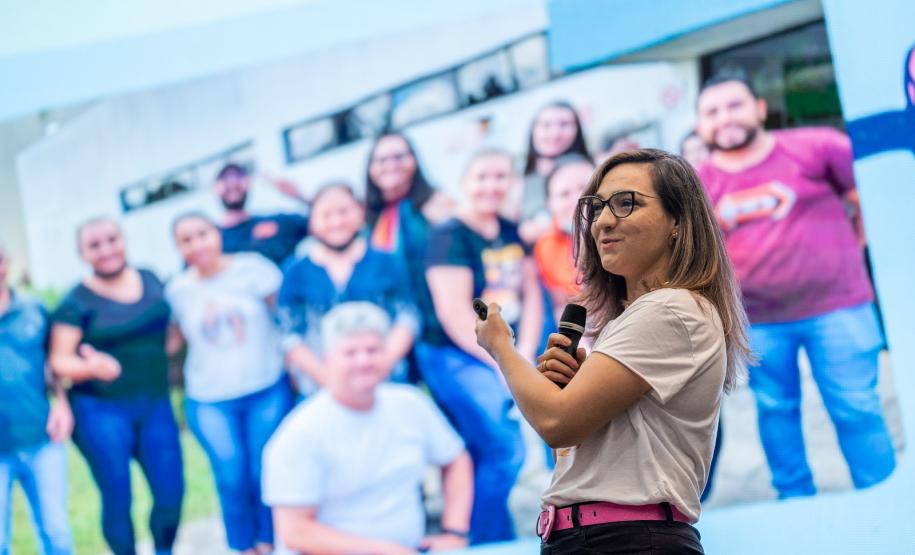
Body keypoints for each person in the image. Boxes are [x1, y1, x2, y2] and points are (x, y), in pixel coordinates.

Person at [475, 149, 753, 554]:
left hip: (623, 541)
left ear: (678, 221)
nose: (604, 220)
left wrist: (501, 346)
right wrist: (567, 390)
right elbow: (574, 451)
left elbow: (556, 422)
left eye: (627, 204)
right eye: (597, 207)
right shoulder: (640, 317)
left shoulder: (671, 308)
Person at [695, 74, 896, 498]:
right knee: (775, 412)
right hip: (757, 322)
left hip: (839, 307)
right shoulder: (695, 184)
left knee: (857, 409)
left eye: (734, 105)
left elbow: (875, 194)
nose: (724, 118)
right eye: (712, 112)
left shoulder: (818, 146)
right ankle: (795, 504)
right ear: (700, 125)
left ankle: (884, 501)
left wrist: (853, 247)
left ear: (760, 109)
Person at [263, 302, 473, 555]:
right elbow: (296, 532)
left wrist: (454, 531)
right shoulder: (300, 433)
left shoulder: (410, 403)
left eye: (373, 350)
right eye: (350, 353)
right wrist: (386, 551)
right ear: (327, 359)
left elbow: (456, 459)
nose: (363, 361)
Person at [418, 148, 542, 544]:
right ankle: (483, 538)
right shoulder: (449, 235)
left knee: (486, 452)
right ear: (464, 182)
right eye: (482, 176)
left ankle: (490, 533)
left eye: (500, 176)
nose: (492, 185)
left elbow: (531, 292)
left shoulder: (508, 228)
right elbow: (455, 314)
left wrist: (525, 353)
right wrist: (504, 363)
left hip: (504, 350)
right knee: (507, 450)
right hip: (456, 353)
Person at [49, 218, 183, 555]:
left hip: (155, 404)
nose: (106, 249)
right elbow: (59, 360)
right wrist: (90, 367)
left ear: (123, 240)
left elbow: (169, 329)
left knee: (171, 492)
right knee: (118, 495)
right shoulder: (75, 302)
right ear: (82, 254)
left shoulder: (150, 278)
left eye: (112, 239)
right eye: (95, 245)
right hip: (101, 411)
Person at [166, 213, 292, 555]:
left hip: (265, 387)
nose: (197, 244)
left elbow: (285, 315)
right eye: (186, 240)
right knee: (230, 475)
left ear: (217, 233)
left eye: (202, 234)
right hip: (209, 398)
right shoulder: (178, 290)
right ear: (178, 248)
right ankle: (242, 545)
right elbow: (170, 343)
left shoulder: (254, 268)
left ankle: (271, 541)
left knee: (263, 471)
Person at [278, 183, 420, 395]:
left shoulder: (385, 260)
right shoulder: (294, 271)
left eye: (344, 211)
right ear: (312, 222)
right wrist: (328, 378)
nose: (336, 221)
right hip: (323, 389)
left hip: (387, 382)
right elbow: (289, 334)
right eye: (326, 214)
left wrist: (383, 364)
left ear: (360, 214)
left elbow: (408, 317)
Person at [0, 241, 73, 555]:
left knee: (56, 533)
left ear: (6, 262)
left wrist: (62, 403)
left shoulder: (35, 309)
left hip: (41, 438)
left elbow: (55, 363)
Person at [518, 101, 592, 244]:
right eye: (546, 125)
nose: (555, 133)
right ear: (533, 130)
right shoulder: (518, 178)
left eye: (564, 124)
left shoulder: (591, 169)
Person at [532, 154, 593, 319]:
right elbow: (562, 305)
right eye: (564, 194)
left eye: (585, 187)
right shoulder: (546, 247)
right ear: (550, 204)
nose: (578, 198)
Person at [215, 163, 310, 266]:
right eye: (225, 178)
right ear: (216, 188)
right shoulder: (211, 241)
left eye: (238, 177)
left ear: (248, 182)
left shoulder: (280, 223)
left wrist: (301, 197)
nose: (232, 183)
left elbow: (320, 225)